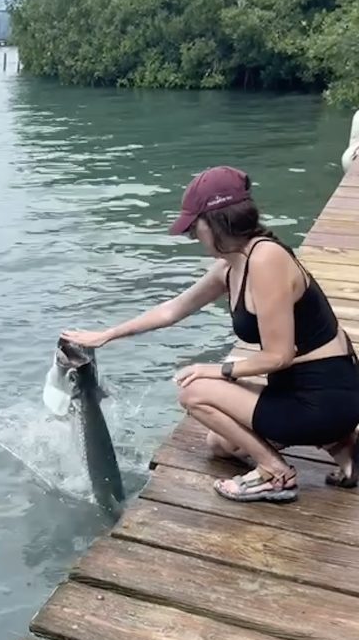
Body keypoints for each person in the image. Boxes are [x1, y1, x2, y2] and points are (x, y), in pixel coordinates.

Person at [62, 165, 359, 503]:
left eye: (194, 226)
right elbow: (173, 309)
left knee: (195, 392)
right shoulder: (233, 264)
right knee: (220, 443)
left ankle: (275, 473)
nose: (191, 235)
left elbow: (279, 355)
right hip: (306, 391)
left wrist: (216, 370)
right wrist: (107, 335)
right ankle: (345, 448)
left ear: (216, 221)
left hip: (323, 398)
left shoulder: (265, 260)